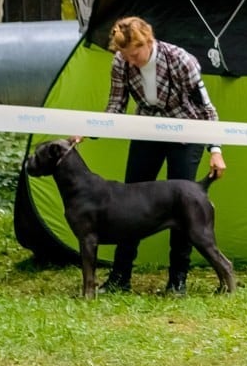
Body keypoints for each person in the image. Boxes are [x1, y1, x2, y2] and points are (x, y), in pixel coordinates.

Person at [96, 16, 227, 295]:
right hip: (147, 132)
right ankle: (120, 278)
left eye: (134, 54)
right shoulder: (121, 62)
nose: (129, 61)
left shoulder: (182, 61)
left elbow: (207, 111)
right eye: (124, 56)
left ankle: (177, 281)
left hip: (186, 134)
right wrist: (86, 130)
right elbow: (115, 107)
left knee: (183, 207)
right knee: (128, 204)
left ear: (148, 41)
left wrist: (215, 150)